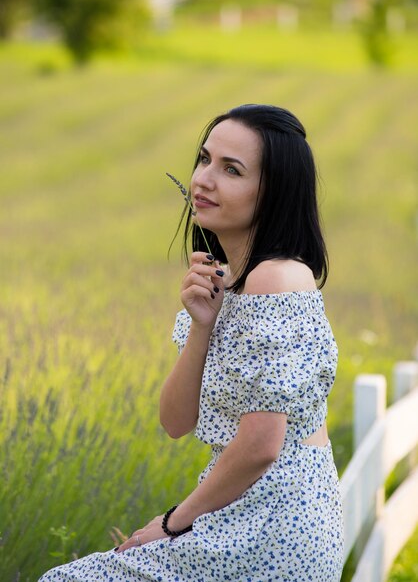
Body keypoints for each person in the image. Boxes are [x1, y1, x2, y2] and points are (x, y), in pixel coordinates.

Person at [39, 104, 344, 581]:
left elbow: (263, 445)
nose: (204, 179)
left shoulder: (278, 278)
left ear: (273, 193)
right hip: (239, 514)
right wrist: (202, 326)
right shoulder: (231, 280)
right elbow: (176, 422)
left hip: (273, 526)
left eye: (231, 170)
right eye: (204, 159)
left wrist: (173, 523)